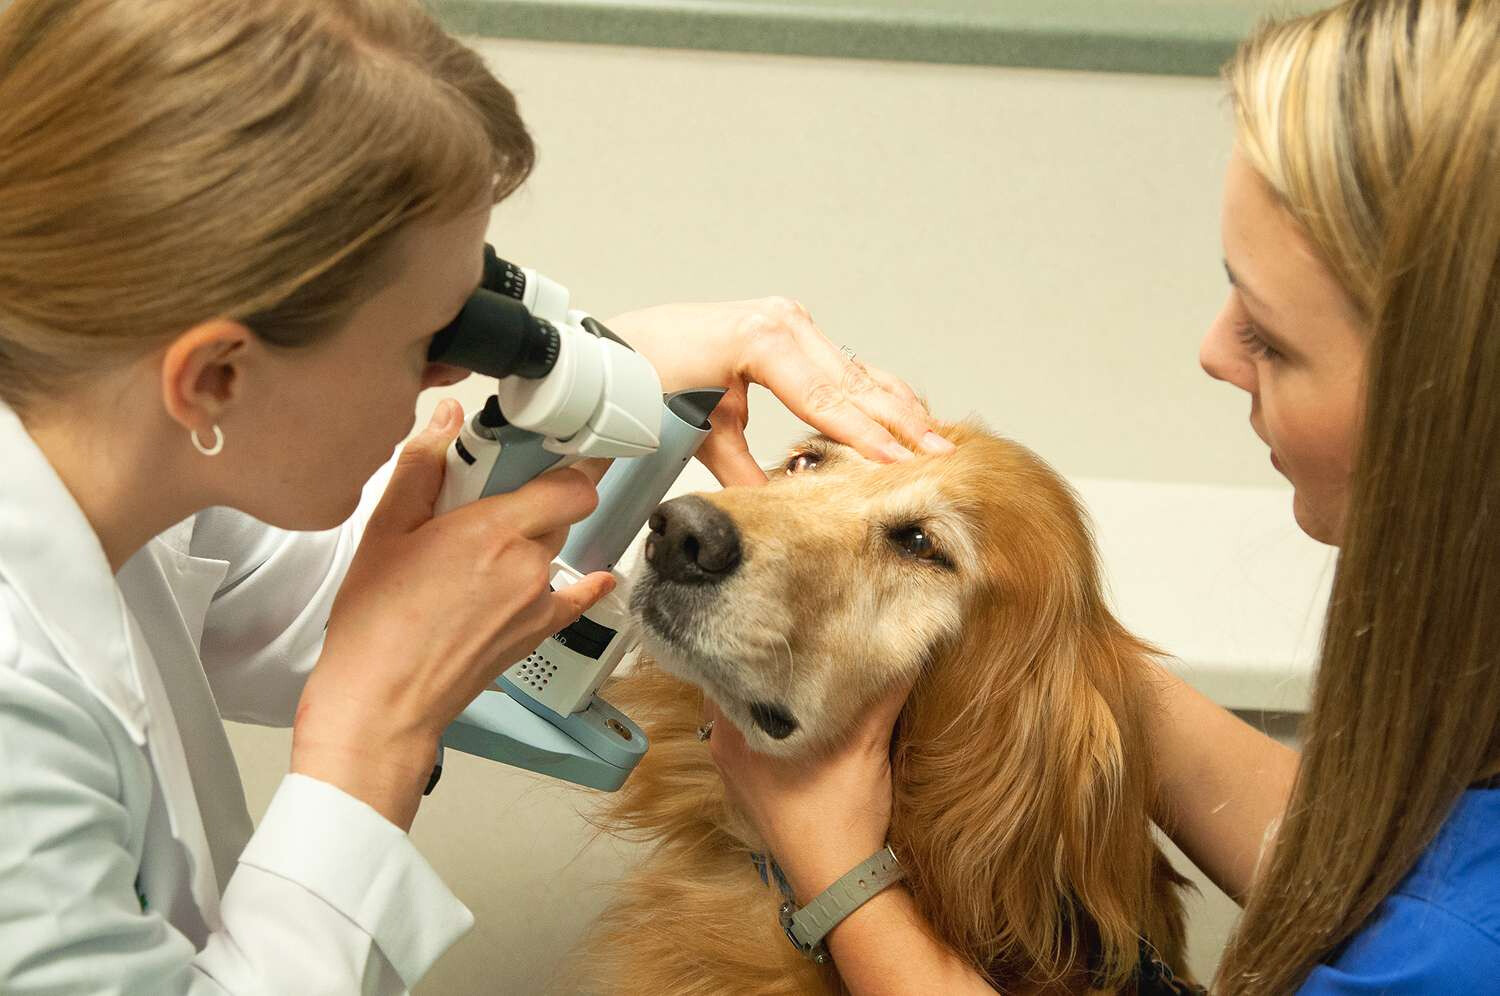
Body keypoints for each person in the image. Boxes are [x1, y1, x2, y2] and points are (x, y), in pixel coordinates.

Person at [0, 1, 946, 992]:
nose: (457, 373)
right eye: (427, 341)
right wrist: (372, 744)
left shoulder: (104, 447)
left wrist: (637, 364)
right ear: (214, 378)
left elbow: (349, 598)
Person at [707, 1, 1500, 993]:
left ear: (1455, 408)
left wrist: (837, 873)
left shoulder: (1457, 964)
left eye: (1270, 337)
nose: (1212, 352)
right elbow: (1415, 873)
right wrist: (1046, 629)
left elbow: (1442, 931)